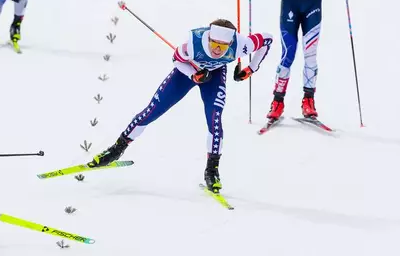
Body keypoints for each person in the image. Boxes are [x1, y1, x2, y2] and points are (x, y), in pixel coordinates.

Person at [88, 20, 273, 193]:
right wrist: (193, 75)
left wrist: (251, 68)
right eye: (214, 43)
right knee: (151, 112)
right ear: (208, 37)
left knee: (214, 120)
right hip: (186, 73)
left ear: (231, 42)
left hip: (214, 77)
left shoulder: (241, 45)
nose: (217, 49)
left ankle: (212, 170)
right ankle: (116, 149)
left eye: (223, 45)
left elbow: (267, 39)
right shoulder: (193, 44)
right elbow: (176, 59)